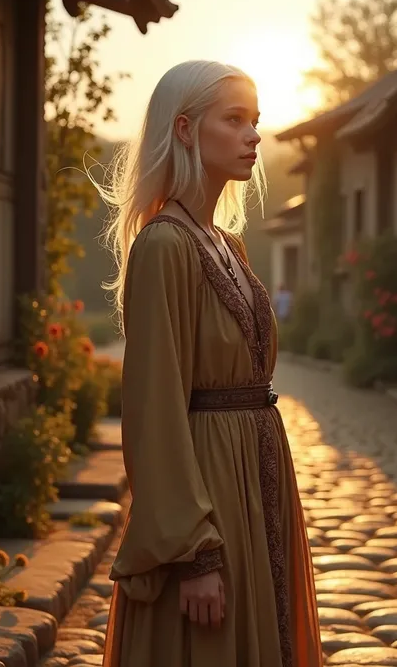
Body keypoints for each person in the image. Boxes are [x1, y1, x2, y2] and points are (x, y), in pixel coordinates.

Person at [98, 60, 323, 667]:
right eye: (235, 120)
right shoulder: (165, 245)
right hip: (209, 490)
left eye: (255, 121)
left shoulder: (226, 244)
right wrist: (192, 551)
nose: (254, 135)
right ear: (187, 128)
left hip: (255, 479)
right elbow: (155, 407)